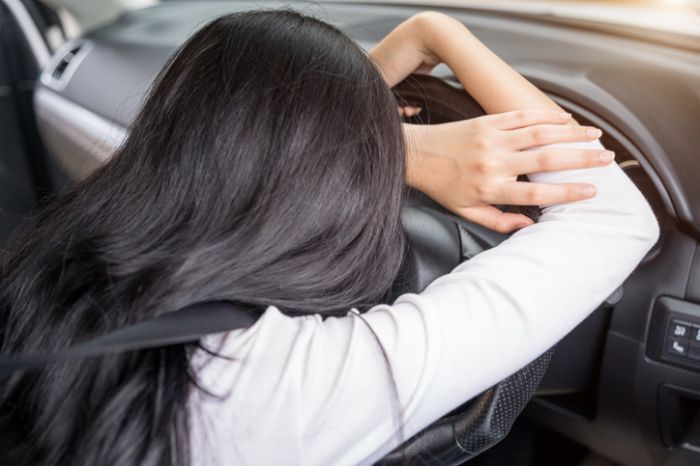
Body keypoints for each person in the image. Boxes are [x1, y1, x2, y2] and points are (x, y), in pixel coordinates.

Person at [0, 9, 658, 466]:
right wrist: (436, 32)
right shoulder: (288, 381)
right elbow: (615, 219)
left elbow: (221, 150)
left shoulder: (38, 271)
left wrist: (383, 146)